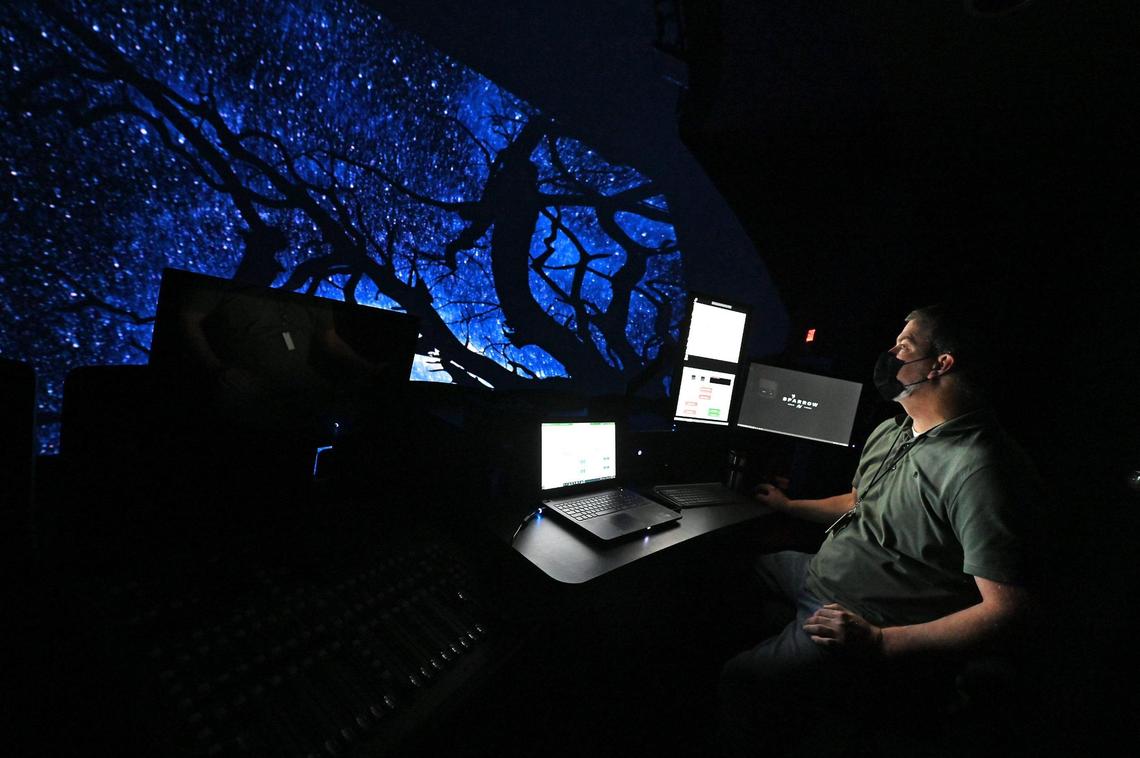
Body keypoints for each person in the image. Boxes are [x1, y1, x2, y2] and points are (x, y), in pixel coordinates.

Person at [718, 305, 1043, 756]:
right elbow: (858, 502)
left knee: (741, 680)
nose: (890, 354)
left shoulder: (981, 470)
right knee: (719, 570)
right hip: (818, 573)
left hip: (858, 617)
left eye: (904, 346)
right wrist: (788, 506)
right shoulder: (894, 430)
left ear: (940, 364)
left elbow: (1007, 610)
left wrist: (880, 642)